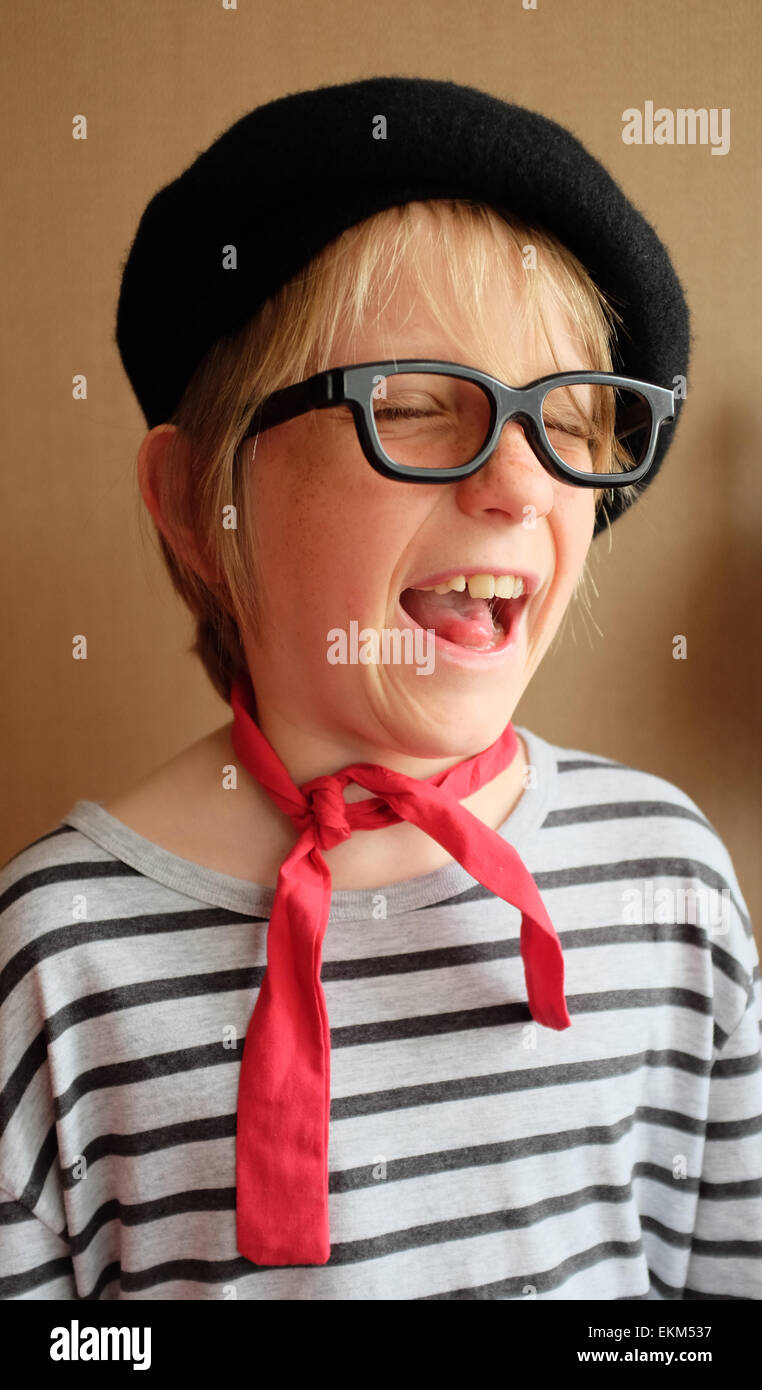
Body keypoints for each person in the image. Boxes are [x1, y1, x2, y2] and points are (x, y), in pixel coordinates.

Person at [1, 76, 759, 1301]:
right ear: (203, 503)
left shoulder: (667, 879)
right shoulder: (54, 964)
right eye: (410, 405)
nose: (520, 484)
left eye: (571, 417)